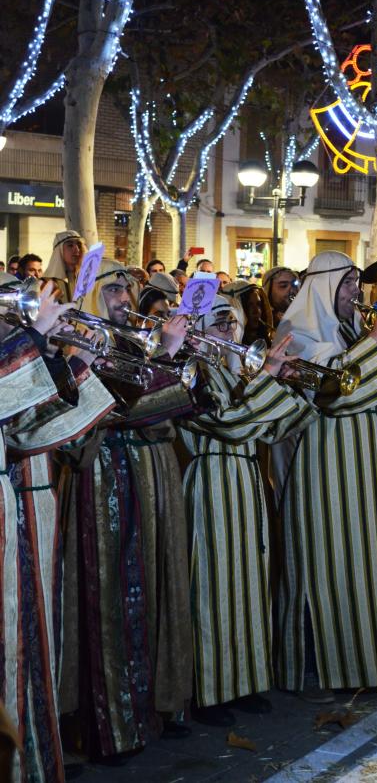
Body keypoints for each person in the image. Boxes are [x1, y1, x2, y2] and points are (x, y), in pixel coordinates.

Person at [59, 259, 196, 762]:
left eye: (127, 288)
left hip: (147, 475)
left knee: (153, 591)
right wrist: (166, 359)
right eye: (113, 289)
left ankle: (150, 709)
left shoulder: (135, 342)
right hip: (104, 478)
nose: (123, 297)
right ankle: (108, 725)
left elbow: (175, 401)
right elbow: (117, 408)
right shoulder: (80, 342)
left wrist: (166, 360)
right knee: (108, 599)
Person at [274, 250, 377, 701]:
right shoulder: (296, 332)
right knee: (323, 559)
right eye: (348, 283)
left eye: (355, 283)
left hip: (360, 458)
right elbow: (331, 391)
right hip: (321, 459)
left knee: (360, 558)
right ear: (325, 286)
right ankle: (316, 670)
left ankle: (358, 661)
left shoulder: (348, 330)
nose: (357, 292)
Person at [180, 296, 316, 724]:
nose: (229, 333)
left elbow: (279, 427)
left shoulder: (238, 371)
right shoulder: (190, 370)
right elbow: (228, 423)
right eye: (219, 325)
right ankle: (209, 691)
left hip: (245, 480)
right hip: (211, 480)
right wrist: (267, 381)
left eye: (233, 325)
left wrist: (282, 383)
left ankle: (244, 682)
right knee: (213, 585)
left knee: (249, 582)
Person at [1, 276, 115, 783]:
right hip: (14, 500)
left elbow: (36, 429)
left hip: (24, 503)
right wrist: (36, 340)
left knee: (28, 638)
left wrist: (73, 361)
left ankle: (31, 755)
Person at [222, 280, 273, 345]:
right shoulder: (226, 341)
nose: (256, 311)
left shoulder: (264, 336)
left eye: (258, 304)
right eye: (249, 305)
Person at [44, 230, 87, 302]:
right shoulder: (47, 283)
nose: (77, 249)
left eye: (79, 245)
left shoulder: (88, 280)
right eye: (70, 245)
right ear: (59, 250)